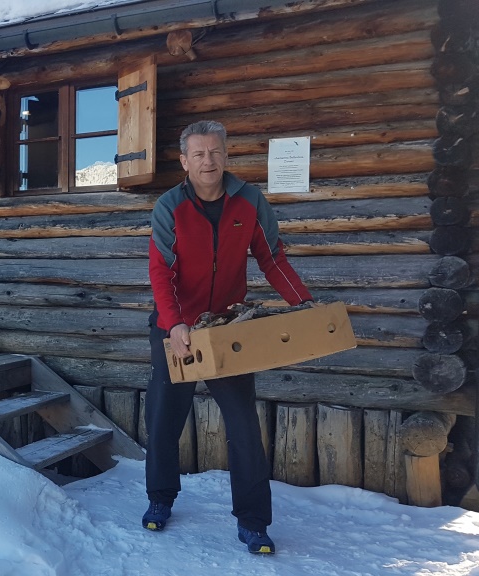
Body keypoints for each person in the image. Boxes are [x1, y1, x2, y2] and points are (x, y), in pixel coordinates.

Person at [143, 120, 314, 555]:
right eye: (199, 154)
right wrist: (174, 324)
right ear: (184, 161)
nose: (208, 160)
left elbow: (272, 259)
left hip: (225, 330)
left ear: (226, 155)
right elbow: (161, 271)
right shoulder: (169, 206)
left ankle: (253, 522)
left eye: (215, 152)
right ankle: (160, 498)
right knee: (164, 419)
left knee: (243, 425)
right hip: (176, 328)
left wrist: (304, 305)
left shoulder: (249, 201)